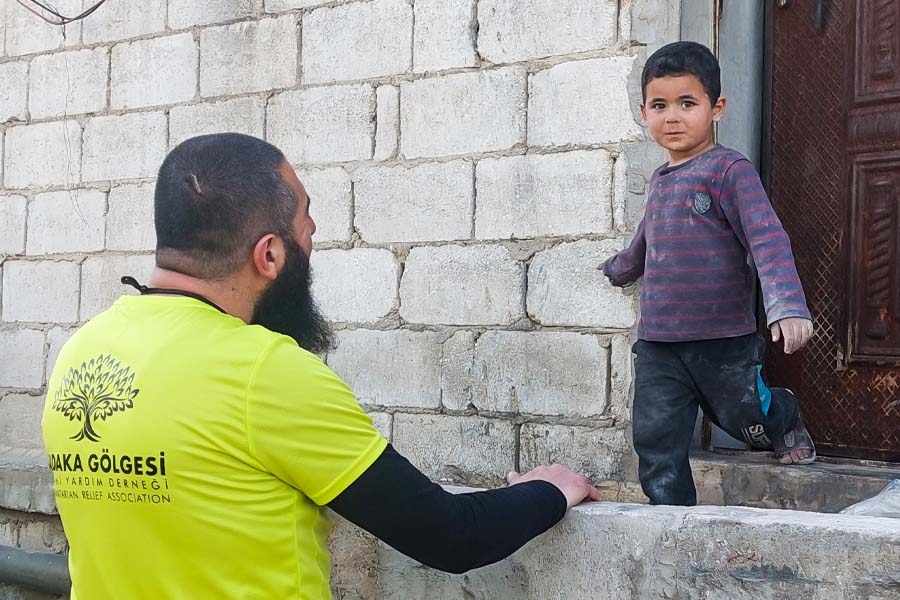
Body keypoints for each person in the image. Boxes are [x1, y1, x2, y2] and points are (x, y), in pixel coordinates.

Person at [42, 133, 599, 600]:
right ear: (269, 254)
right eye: (306, 220)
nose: (313, 234)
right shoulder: (264, 372)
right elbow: (449, 537)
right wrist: (549, 488)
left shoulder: (81, 353)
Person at [599, 41, 816, 507]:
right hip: (659, 342)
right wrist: (621, 268)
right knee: (656, 437)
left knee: (746, 421)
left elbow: (767, 239)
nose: (672, 116)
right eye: (660, 105)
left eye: (687, 103)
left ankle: (784, 415)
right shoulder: (660, 181)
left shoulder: (729, 170)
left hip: (723, 339)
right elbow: (647, 239)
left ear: (716, 108)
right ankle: (669, 516)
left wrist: (786, 304)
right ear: (643, 111)